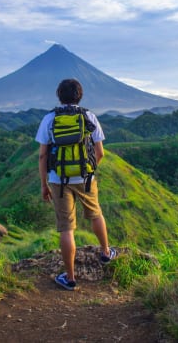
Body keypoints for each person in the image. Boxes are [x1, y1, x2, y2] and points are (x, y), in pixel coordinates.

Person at [35, 78, 116, 290]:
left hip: (58, 180)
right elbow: (100, 153)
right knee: (95, 214)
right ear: (80, 95)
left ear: (59, 96)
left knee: (66, 228)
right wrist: (88, 170)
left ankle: (70, 278)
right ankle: (106, 253)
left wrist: (44, 185)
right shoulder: (89, 116)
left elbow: (43, 156)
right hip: (86, 178)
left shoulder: (49, 118)